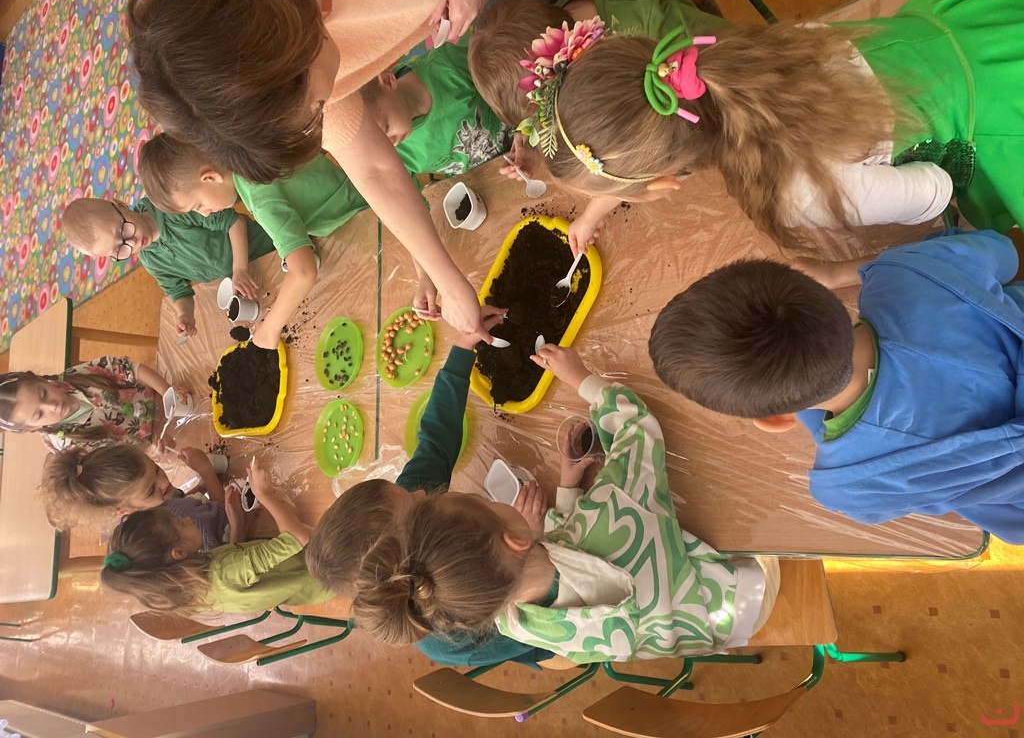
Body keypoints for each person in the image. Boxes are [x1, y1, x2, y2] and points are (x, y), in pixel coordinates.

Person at [517, 0, 1024, 254]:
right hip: (983, 27)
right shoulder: (751, 58)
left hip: (1005, 128)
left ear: (666, 183)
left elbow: (934, 188)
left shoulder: (798, 194)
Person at [126, 0, 502, 338]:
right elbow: (374, 169)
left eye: (315, 107)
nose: (323, 110)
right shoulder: (301, 61)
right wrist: (449, 284)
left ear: (293, 52)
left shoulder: (307, 54)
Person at [351, 345, 777, 661]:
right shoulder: (610, 514)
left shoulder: (514, 623)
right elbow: (638, 428)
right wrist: (580, 377)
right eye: (482, 501)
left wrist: (569, 487)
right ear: (516, 538)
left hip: (695, 635)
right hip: (739, 596)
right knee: (765, 518)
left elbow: (570, 562)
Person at [648, 228, 1024, 543]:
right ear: (819, 292)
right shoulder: (911, 272)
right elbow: (1005, 252)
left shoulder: (850, 483)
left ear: (776, 420)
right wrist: (849, 269)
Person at [306, 308, 553, 666]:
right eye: (412, 501)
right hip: (549, 628)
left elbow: (435, 442)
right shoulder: (452, 629)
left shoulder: (408, 510)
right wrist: (533, 538)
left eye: (403, 489)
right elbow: (541, 620)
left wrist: (463, 349)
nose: (420, 491)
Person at [468, 0, 732, 255]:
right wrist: (532, 143)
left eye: (547, 121)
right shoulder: (557, 35)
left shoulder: (660, 29)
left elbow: (630, 158)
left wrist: (593, 213)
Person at [137, 134, 368, 349]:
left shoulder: (258, 198)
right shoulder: (242, 152)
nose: (205, 214)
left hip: (359, 218)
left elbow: (304, 272)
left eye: (198, 206)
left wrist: (269, 328)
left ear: (210, 178)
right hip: (354, 192)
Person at [101, 457, 332, 612]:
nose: (187, 518)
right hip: (326, 565)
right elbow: (298, 538)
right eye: (180, 523)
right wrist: (264, 494)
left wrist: (237, 531)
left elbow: (239, 576)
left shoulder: (186, 585)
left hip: (308, 577)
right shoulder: (222, 571)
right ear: (178, 552)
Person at [60, 197, 274, 341]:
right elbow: (178, 291)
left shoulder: (171, 208)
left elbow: (235, 222)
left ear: (120, 205)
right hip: (248, 279)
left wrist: (239, 268)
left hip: (268, 246)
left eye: (123, 231)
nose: (132, 243)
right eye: (119, 250)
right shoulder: (149, 258)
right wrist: (185, 314)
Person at [359, 41, 511, 177]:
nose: (392, 144)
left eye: (387, 127)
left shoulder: (447, 65)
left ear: (387, 81)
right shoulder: (394, 152)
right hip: (493, 181)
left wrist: (522, 133)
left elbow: (512, 77)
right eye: (381, 143)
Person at [0, 356, 178, 452]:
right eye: (39, 414)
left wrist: (167, 392)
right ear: (32, 428)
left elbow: (129, 368)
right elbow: (123, 463)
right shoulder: (68, 446)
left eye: (43, 394)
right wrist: (154, 450)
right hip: (163, 443)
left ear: (41, 379)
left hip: (162, 397)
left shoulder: (75, 377)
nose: (52, 406)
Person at [41, 442, 226, 528]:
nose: (164, 481)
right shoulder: (167, 527)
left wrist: (201, 487)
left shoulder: (148, 504)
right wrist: (206, 470)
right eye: (150, 490)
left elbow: (178, 500)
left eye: (156, 469)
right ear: (123, 510)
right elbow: (223, 520)